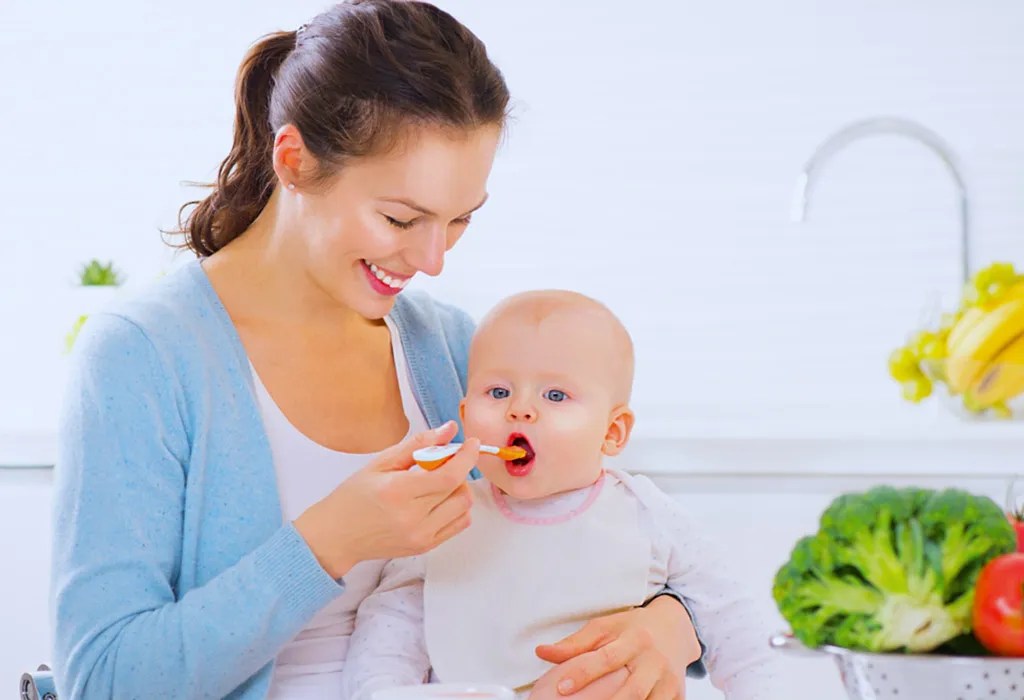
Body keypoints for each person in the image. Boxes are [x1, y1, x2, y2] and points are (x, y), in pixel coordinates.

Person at [49, 2, 702, 699]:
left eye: (459, 221)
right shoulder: (144, 357)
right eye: (400, 217)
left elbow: (607, 529)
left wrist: (670, 625)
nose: (431, 258)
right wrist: (331, 540)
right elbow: (104, 678)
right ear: (294, 160)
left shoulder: (450, 347)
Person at [339, 291, 782, 700]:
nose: (520, 408)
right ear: (465, 415)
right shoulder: (442, 519)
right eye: (498, 391)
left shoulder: (646, 514)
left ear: (611, 433)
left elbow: (736, 630)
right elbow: (386, 639)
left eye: (555, 394)